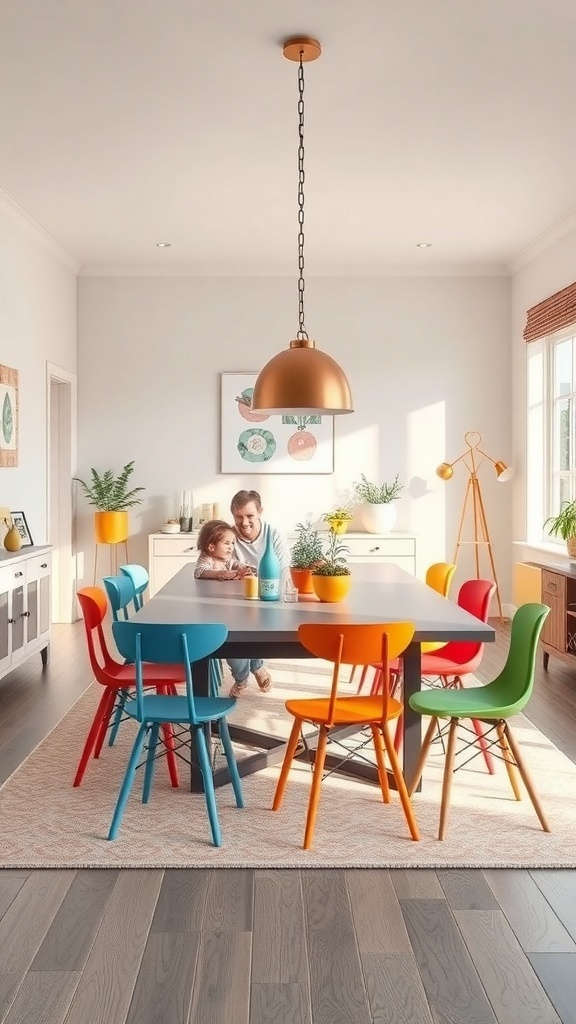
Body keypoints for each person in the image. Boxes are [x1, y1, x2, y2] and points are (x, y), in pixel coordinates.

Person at [226, 489, 290, 698]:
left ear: (260, 512)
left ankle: (250, 671)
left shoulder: (274, 535)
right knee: (228, 638)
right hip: (234, 600)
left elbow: (283, 572)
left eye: (250, 516)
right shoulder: (228, 537)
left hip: (266, 600)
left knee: (258, 627)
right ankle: (248, 673)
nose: (244, 523)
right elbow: (221, 566)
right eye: (238, 516)